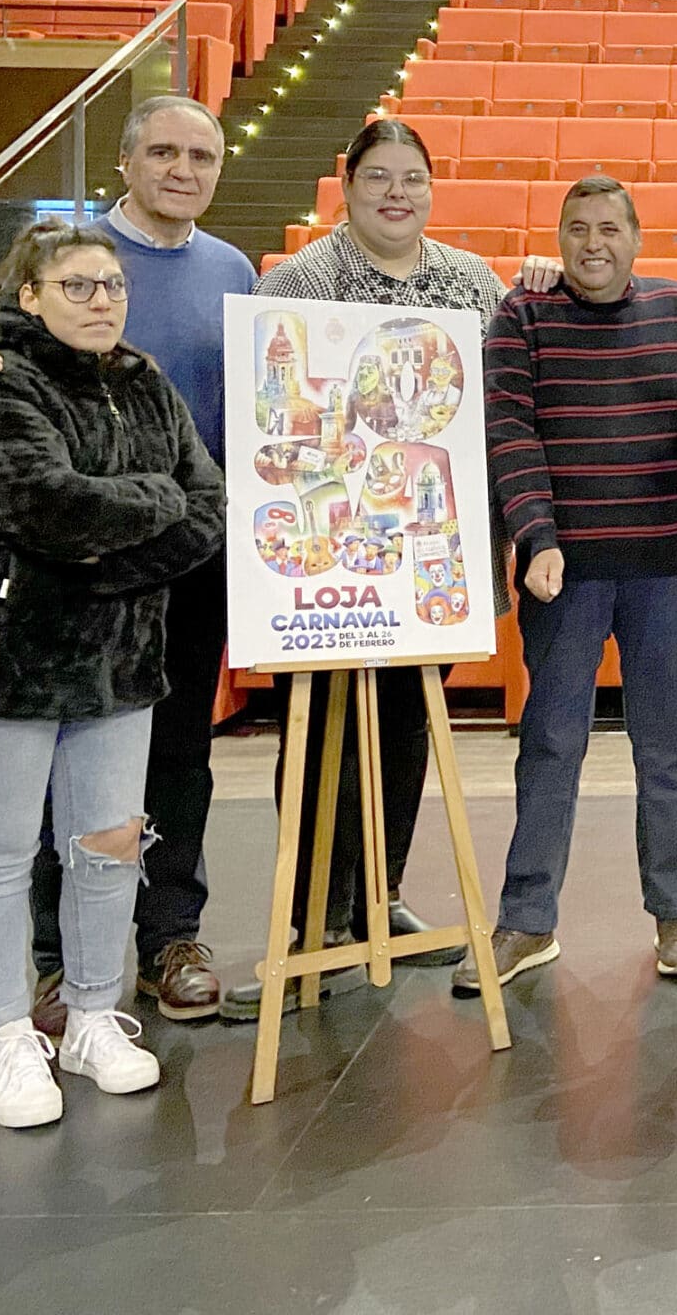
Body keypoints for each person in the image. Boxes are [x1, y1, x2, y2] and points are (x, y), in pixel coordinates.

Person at [0, 94, 251, 1027]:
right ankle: (57, 960)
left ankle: (168, 935)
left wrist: (197, 518)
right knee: (45, 779)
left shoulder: (233, 269)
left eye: (201, 155)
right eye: (163, 152)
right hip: (55, 573)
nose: (182, 170)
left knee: (179, 754)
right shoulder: (58, 261)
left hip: (186, 564)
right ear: (126, 160)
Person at [0, 221, 225, 1127]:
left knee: (110, 845)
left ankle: (89, 1013)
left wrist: (113, 557)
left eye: (112, 284)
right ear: (28, 295)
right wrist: (150, 514)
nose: (102, 299)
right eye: (77, 285)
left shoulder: (147, 383)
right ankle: (7, 1037)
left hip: (117, 665)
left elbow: (208, 505)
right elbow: (45, 508)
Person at [218, 115, 508, 1021]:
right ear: (347, 185)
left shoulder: (471, 281)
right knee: (323, 731)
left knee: (407, 722)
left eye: (412, 178)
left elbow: (503, 392)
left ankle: (380, 896)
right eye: (378, 176)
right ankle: (316, 920)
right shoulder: (296, 284)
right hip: (329, 549)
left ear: (431, 187)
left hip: (429, 547)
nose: (396, 193)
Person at [467, 176, 677, 994]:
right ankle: (527, 921)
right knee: (550, 746)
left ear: (637, 239)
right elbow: (510, 432)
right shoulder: (523, 315)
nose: (593, 244)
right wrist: (537, 534)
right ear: (560, 238)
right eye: (577, 229)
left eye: (610, 228)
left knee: (667, 748)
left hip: (662, 570)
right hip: (561, 575)